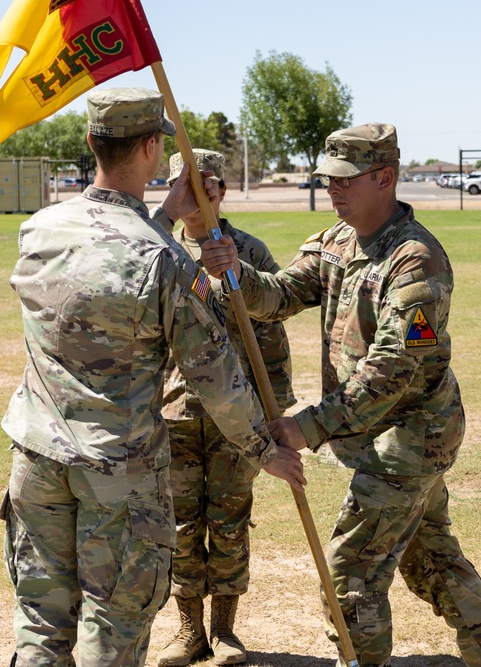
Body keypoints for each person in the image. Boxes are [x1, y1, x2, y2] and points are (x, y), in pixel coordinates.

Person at [0, 87, 306, 667]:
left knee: (41, 626)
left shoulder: (42, 228)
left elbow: (119, 242)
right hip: (117, 469)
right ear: (149, 147)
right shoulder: (164, 259)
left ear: (91, 143)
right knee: (112, 628)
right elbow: (214, 374)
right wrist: (264, 449)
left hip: (37, 458)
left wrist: (165, 214)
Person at [200, 123, 481, 667]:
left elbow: (395, 366)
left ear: (386, 178)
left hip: (410, 438)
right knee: (430, 554)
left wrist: (310, 425)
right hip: (379, 437)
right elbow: (278, 296)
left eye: (347, 180)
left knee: (350, 573)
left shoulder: (416, 261)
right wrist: (234, 272)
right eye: (329, 180)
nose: (335, 190)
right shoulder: (335, 242)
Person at [156, 150, 296, 667]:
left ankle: (225, 632)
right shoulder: (160, 250)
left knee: (231, 518)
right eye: (187, 183)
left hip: (240, 416)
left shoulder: (247, 250)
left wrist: (276, 409)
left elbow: (274, 334)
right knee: (181, 524)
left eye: (208, 183)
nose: (200, 193)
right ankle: (187, 628)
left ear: (223, 189)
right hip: (175, 410)